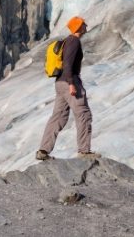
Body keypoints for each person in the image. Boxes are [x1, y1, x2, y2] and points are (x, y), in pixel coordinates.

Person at [36, 16, 100, 161]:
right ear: (78, 27)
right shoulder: (74, 41)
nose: (86, 26)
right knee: (83, 114)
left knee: (58, 116)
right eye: (84, 24)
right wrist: (72, 83)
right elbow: (68, 63)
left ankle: (43, 151)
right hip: (69, 82)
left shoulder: (68, 41)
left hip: (60, 83)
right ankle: (84, 151)